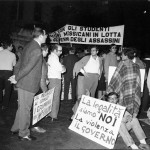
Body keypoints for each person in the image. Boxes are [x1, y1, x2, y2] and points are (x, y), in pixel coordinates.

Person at [10, 27, 47, 141]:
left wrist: (15, 76)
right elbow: (28, 67)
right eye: (45, 35)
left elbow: (19, 63)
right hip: (28, 84)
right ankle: (24, 133)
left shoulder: (28, 45)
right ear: (40, 36)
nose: (47, 37)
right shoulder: (37, 49)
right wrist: (16, 78)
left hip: (23, 82)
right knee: (26, 109)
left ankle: (15, 128)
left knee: (22, 108)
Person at [107, 47, 141, 118]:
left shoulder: (123, 65)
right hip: (126, 91)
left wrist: (110, 89)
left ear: (126, 55)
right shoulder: (132, 66)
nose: (121, 56)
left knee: (125, 113)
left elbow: (137, 82)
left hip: (130, 91)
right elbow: (116, 79)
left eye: (122, 54)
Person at [71, 46, 103, 120]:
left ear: (97, 51)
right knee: (83, 95)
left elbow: (100, 69)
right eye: (91, 50)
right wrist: (83, 72)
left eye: (94, 50)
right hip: (87, 77)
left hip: (95, 78)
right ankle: (74, 113)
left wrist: (98, 76)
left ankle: (87, 113)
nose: (92, 52)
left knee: (91, 96)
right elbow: (78, 64)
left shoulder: (100, 59)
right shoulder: (87, 58)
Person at [30, 43, 49, 133]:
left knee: (34, 107)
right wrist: (44, 89)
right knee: (37, 107)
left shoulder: (40, 59)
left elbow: (43, 75)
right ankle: (35, 126)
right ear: (43, 50)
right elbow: (41, 77)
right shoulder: (41, 60)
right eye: (47, 50)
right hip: (38, 86)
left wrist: (47, 79)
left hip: (36, 85)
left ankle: (33, 125)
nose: (48, 52)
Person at [47, 44, 66, 121]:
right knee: (56, 97)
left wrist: (61, 67)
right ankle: (54, 115)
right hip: (55, 79)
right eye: (60, 50)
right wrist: (63, 67)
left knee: (52, 97)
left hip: (52, 79)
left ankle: (50, 113)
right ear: (55, 50)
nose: (61, 52)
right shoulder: (54, 58)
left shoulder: (51, 57)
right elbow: (62, 69)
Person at [0, 40, 16, 110]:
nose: (12, 47)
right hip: (8, 73)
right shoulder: (12, 55)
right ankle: (5, 105)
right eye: (11, 46)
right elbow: (14, 65)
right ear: (9, 46)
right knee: (8, 89)